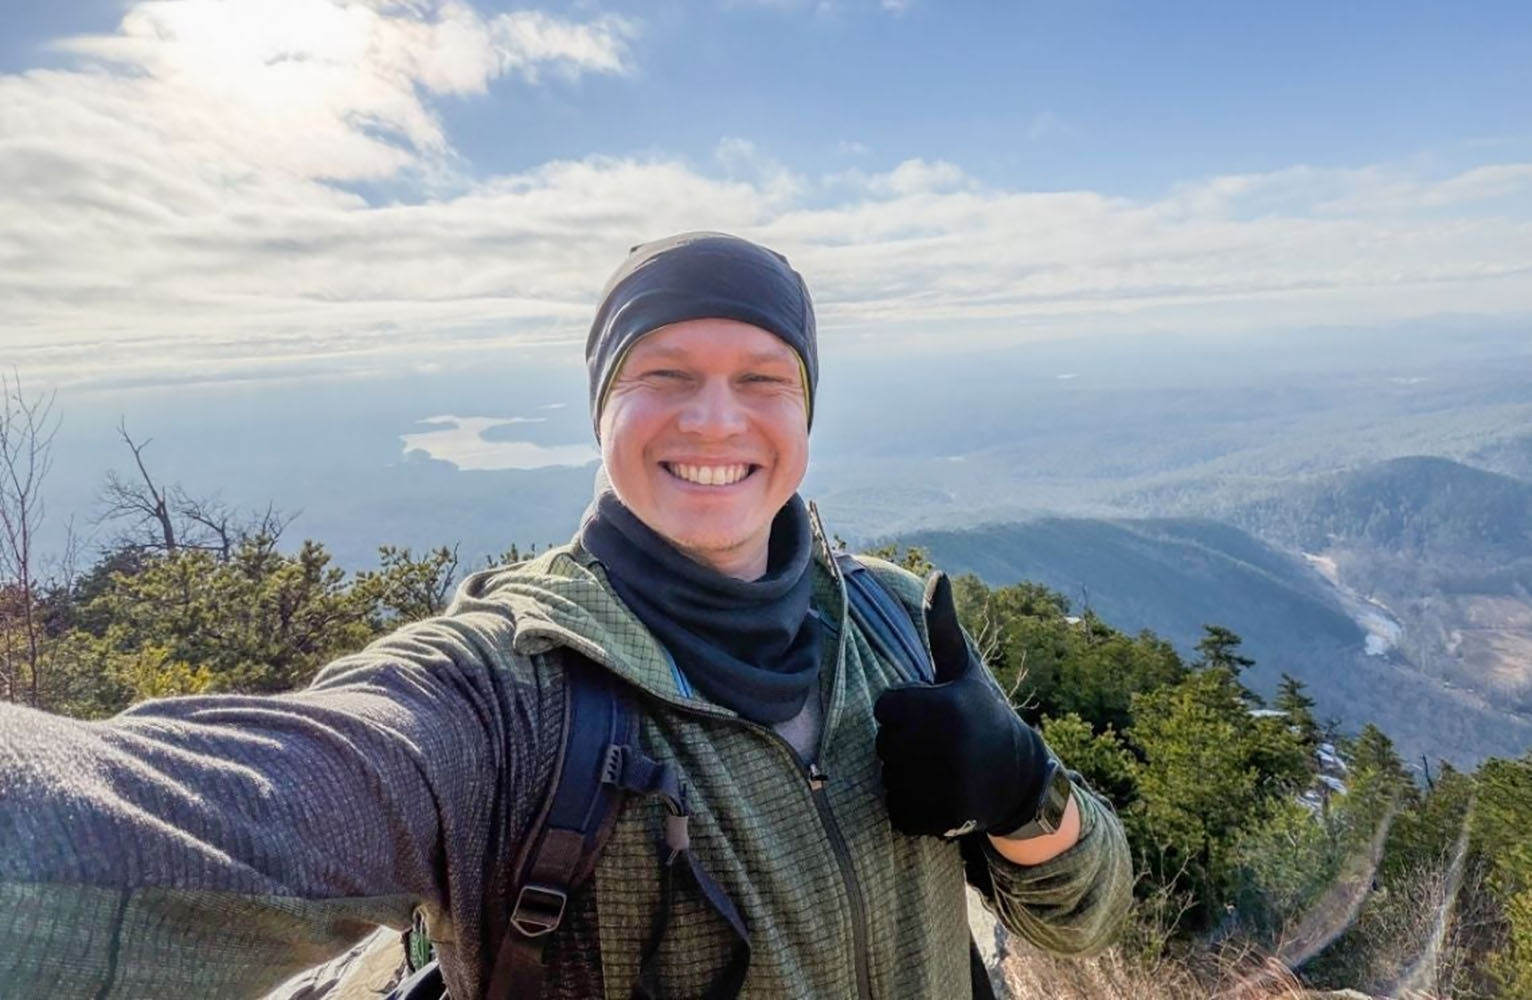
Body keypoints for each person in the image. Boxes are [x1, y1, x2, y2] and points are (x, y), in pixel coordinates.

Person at [0, 232, 1132, 999]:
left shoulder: (890, 621)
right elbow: (206, 813)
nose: (713, 417)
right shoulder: (508, 692)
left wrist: (1027, 795)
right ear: (603, 404)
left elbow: (1084, 920)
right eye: (663, 371)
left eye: (762, 378)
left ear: (805, 407)